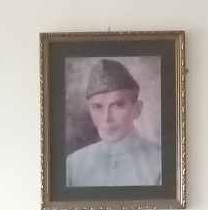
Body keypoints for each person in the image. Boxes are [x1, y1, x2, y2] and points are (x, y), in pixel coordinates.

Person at [65, 58, 162, 187]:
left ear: (137, 109)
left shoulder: (160, 162)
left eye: (118, 105)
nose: (106, 118)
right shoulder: (74, 164)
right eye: (97, 107)